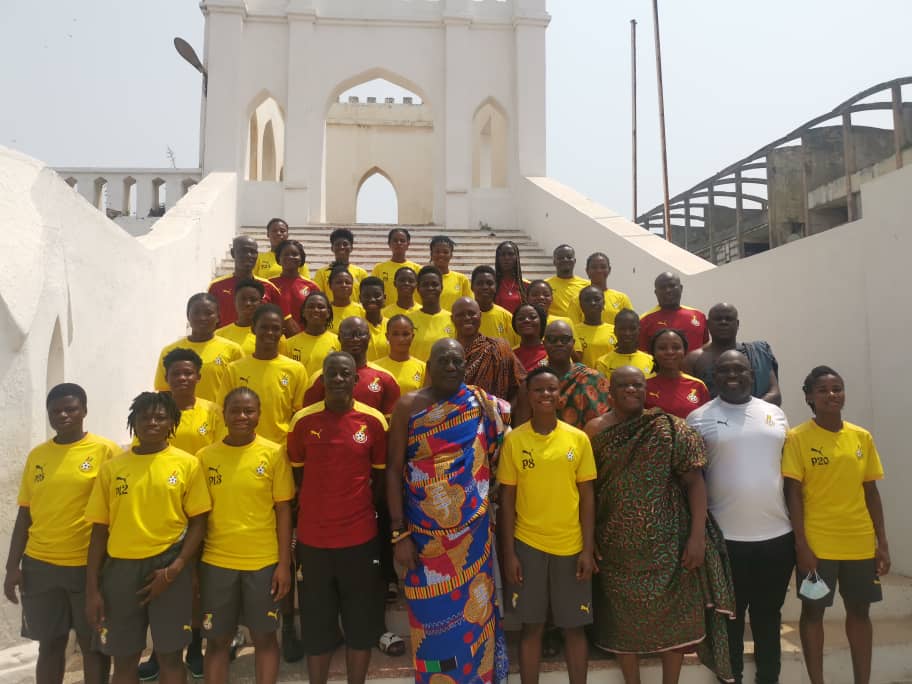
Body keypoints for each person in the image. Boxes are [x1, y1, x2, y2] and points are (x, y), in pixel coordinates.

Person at [583, 367, 735, 683]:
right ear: (610, 391)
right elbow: (587, 489)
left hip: (669, 543)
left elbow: (694, 482)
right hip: (614, 545)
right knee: (621, 621)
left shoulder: (669, 428)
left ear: (646, 389)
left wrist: (696, 537)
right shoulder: (594, 431)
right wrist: (589, 538)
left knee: (674, 617)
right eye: (623, 385)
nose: (631, 390)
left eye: (637, 384)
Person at [386, 339, 510, 684]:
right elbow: (394, 469)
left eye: (458, 362)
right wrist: (400, 533)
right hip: (424, 541)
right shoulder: (408, 406)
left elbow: (517, 415)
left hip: (473, 537)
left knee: (476, 618)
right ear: (429, 364)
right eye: (444, 361)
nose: (452, 367)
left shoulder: (479, 403)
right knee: (432, 627)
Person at [84, 392, 211, 684]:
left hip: (169, 568)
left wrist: (176, 569)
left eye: (160, 417)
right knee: (124, 657)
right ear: (133, 422)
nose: (151, 422)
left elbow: (199, 523)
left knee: (170, 657)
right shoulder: (112, 469)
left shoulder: (187, 464)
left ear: (171, 423)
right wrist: (93, 589)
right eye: (144, 417)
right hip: (121, 571)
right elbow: (99, 531)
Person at [686, 351, 793, 684]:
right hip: (724, 541)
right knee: (729, 621)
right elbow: (692, 482)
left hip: (777, 537)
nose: (733, 375)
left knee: (767, 618)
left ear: (751, 374)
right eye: (724, 369)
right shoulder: (698, 418)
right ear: (713, 377)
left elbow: (788, 474)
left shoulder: (775, 414)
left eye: (740, 369)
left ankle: (769, 679)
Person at [782, 366, 889, 684]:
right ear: (810, 397)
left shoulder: (861, 437)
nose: (832, 395)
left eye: (837, 388)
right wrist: (801, 544)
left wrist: (881, 542)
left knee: (860, 613)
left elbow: (871, 491)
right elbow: (793, 493)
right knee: (813, 613)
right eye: (824, 390)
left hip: (858, 541)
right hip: (818, 544)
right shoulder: (797, 438)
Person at [287, 352, 389, 684]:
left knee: (359, 624)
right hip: (313, 542)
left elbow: (377, 479)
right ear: (323, 379)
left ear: (355, 379)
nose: (339, 379)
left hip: (360, 540)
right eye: (332, 373)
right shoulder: (303, 421)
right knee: (317, 624)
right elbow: (299, 477)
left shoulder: (373, 421)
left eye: (345, 373)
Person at [4, 384, 116, 684]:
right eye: (55, 411)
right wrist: (12, 566)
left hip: (87, 567)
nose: (63, 415)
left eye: (71, 409)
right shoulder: (38, 456)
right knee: (50, 645)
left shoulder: (105, 451)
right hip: (40, 567)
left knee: (93, 647)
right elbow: (25, 513)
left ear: (85, 411)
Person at [499, 367, 597, 684]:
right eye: (539, 390)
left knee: (574, 627)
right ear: (529, 395)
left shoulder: (578, 439)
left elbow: (587, 498)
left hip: (570, 546)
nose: (545, 395)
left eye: (552, 389)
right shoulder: (514, 440)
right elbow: (508, 502)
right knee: (532, 627)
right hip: (528, 545)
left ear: (560, 395)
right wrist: (510, 553)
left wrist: (587, 548)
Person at [197, 387, 294, 684]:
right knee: (216, 642)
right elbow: (198, 516)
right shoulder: (205, 457)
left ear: (259, 415)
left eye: (248, 411)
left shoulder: (274, 453)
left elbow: (283, 511)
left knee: (264, 638)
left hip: (263, 563)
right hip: (216, 563)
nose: (241, 416)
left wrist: (283, 564)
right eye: (235, 410)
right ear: (223, 415)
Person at [141, 349, 218, 679]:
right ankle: (161, 652)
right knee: (159, 581)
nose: (183, 378)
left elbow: (217, 456)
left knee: (195, 584)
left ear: (198, 377)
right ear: (166, 377)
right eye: (176, 373)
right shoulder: (154, 411)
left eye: (189, 373)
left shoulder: (212, 411)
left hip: (200, 506)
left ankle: (196, 646)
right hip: (164, 508)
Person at [225, 304, 308, 444]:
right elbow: (224, 411)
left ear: (282, 332)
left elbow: (300, 415)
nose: (269, 332)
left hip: (280, 450)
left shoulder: (296, 369)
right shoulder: (234, 369)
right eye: (264, 327)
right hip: (243, 448)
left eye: (275, 328)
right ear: (253, 329)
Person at [682, 303, 781, 405]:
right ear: (707, 324)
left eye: (728, 319)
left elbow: (775, 394)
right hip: (712, 419)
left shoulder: (758, 352)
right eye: (718, 319)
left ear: (737, 324)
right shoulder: (693, 359)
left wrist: (748, 412)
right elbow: (689, 400)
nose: (723, 322)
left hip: (757, 418)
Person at [154, 292, 242, 403]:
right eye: (196, 313)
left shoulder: (233, 350)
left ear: (218, 317)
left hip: (217, 418)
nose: (202, 318)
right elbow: (164, 393)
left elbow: (240, 391)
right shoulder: (170, 351)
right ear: (188, 316)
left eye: (208, 313)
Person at [303, 317, 400, 417]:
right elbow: (309, 419)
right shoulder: (320, 378)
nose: (355, 339)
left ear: (369, 337)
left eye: (360, 334)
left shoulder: (386, 379)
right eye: (348, 335)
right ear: (339, 338)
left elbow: (389, 424)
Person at [452, 297, 528, 417]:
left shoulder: (499, 348)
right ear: (452, 319)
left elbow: (522, 385)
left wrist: (503, 413)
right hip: (456, 425)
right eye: (460, 315)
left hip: (496, 426)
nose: (466, 318)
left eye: (471, 314)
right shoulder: (447, 354)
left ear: (480, 316)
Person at [543, 320, 610, 429]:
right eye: (552, 339)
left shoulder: (593, 378)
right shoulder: (535, 381)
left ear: (573, 343)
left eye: (564, 339)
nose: (559, 344)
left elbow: (607, 420)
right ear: (544, 343)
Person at [208, 235, 280, 326]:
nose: (248, 255)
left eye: (252, 252)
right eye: (243, 251)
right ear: (233, 253)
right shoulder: (216, 287)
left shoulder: (269, 287)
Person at [645, 328, 710, 419]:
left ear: (684, 351)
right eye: (662, 348)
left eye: (676, 347)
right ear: (653, 352)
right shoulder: (644, 386)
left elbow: (706, 421)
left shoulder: (698, 386)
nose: (669, 352)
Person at [216, 279, 288, 357]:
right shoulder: (219, 335)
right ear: (234, 301)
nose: (248, 303)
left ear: (261, 303)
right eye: (243, 299)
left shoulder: (273, 335)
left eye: (253, 300)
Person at [638, 272, 707, 353]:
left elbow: (706, 345)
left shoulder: (698, 316)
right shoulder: (643, 321)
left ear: (681, 288)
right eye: (662, 287)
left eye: (672, 286)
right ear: (656, 293)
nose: (668, 290)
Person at [268, 239, 320, 335]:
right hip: (276, 338)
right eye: (286, 254)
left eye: (295, 254)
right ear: (279, 258)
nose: (290, 257)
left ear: (301, 259)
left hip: (303, 339)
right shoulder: (270, 285)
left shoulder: (312, 287)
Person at [568, 252, 633, 325]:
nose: (599, 270)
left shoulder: (622, 298)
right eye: (594, 267)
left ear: (609, 270)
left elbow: (630, 325)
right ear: (587, 271)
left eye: (603, 267)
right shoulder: (577, 300)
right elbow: (574, 329)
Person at [286, 291, 340, 377]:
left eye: (320, 307)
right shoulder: (288, 344)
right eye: (311, 307)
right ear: (303, 312)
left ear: (328, 313)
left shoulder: (339, 342)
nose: (315, 310)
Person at [409, 266, 454, 362]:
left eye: (434, 284)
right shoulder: (408, 321)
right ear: (418, 289)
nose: (430, 288)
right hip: (416, 376)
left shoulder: (452, 319)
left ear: (441, 287)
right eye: (425, 285)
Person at [594, 309, 653, 381]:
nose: (627, 333)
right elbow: (602, 390)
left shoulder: (651, 361)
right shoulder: (603, 363)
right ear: (615, 331)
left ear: (639, 331)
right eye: (622, 329)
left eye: (632, 329)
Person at [373, 315, 427, 394]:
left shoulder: (423, 369)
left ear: (412, 337)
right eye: (395, 334)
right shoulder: (375, 368)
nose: (401, 339)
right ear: (387, 336)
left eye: (405, 334)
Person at [372, 228, 422, 306]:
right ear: (389, 244)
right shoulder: (379, 268)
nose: (399, 243)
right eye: (395, 240)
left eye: (402, 241)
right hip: (387, 314)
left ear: (408, 244)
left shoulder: (417, 269)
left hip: (411, 314)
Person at [313, 228, 369, 298]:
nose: (341, 247)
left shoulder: (361, 273)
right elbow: (318, 296)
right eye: (337, 244)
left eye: (345, 244)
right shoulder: (322, 273)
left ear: (351, 248)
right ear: (332, 248)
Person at [473, 265, 519, 346]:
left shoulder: (507, 317)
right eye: (480, 283)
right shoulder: (465, 317)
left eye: (489, 283)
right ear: (472, 287)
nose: (485, 287)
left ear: (496, 286)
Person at [572, 287, 617, 368]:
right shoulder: (573, 331)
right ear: (581, 305)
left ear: (603, 303)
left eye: (597, 299)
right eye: (587, 300)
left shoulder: (615, 331)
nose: (592, 303)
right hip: (585, 379)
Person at [428, 235, 471, 310]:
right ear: (431, 254)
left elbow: (469, 305)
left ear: (451, 255)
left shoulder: (462, 280)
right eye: (437, 252)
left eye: (445, 252)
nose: (441, 255)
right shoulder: (423, 279)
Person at [545, 245, 589, 318]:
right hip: (555, 327)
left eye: (569, 257)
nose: (565, 260)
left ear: (574, 261)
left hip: (578, 328)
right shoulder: (546, 285)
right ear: (554, 262)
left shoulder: (587, 285)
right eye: (560, 258)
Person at [359, 276, 390, 362]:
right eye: (366, 296)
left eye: (377, 295)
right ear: (360, 298)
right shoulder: (356, 328)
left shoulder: (391, 326)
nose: (372, 299)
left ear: (384, 298)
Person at [327, 266, 365, 334]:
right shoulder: (325, 311)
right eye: (339, 282)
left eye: (348, 282)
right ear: (330, 286)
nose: (344, 285)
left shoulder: (362, 311)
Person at [494, 240, 529, 313]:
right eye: (503, 254)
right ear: (498, 258)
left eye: (510, 254)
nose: (506, 257)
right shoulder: (492, 285)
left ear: (517, 258)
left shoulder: (525, 285)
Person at [512, 303, 549, 372]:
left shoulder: (551, 351)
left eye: (532, 317)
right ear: (515, 325)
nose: (526, 320)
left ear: (542, 322)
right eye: (521, 318)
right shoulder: (510, 355)